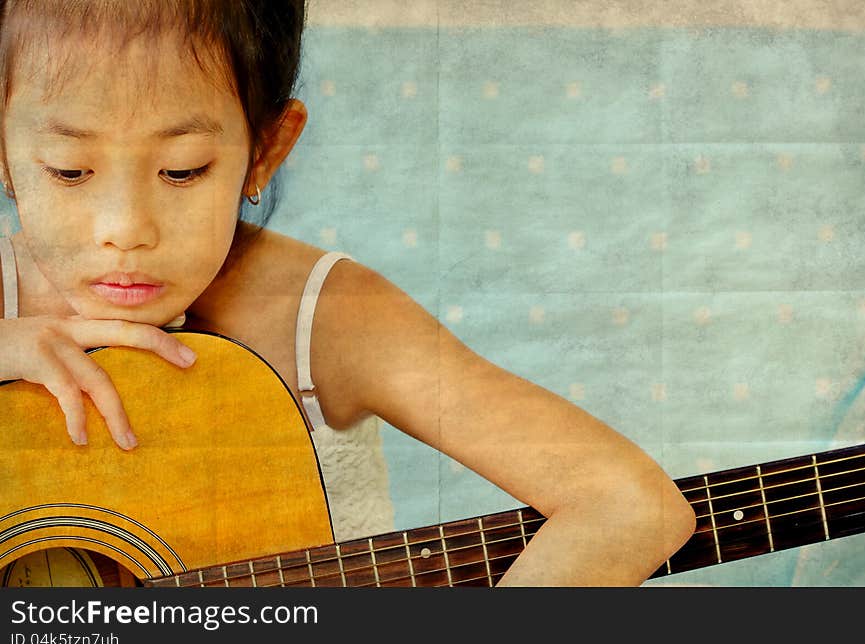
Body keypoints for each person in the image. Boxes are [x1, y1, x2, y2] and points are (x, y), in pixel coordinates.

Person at [0, 0, 695, 586]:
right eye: (69, 170)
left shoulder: (327, 318)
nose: (125, 229)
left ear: (266, 150)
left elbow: (630, 503)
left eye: (183, 170)